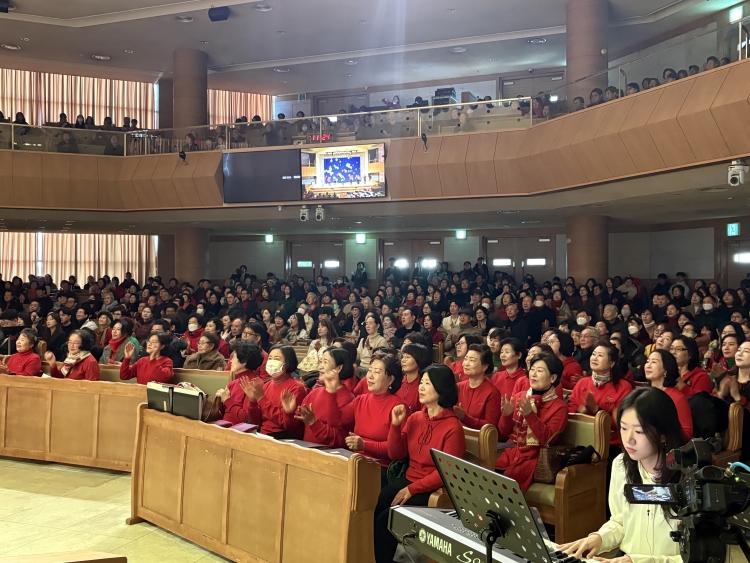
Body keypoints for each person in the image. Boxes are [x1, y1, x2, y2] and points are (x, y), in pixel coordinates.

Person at [560, 387, 685, 563]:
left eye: (639, 431)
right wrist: (599, 538)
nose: (628, 439)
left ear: (663, 435)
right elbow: (619, 522)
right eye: (624, 428)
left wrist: (638, 561)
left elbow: (700, 557)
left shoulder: (689, 476)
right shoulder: (621, 465)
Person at [373, 363, 465, 563]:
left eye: (427, 383)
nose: (421, 387)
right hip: (410, 479)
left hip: (434, 489)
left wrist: (413, 489)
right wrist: (395, 426)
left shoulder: (453, 427)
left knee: (386, 519)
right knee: (380, 500)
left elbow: (446, 472)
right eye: (421, 383)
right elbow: (396, 453)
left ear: (441, 388)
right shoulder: (415, 418)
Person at [495, 352, 568, 490]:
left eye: (539, 371)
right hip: (511, 453)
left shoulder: (559, 407)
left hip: (534, 459)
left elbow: (549, 440)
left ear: (553, 378)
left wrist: (529, 415)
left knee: (504, 484)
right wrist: (506, 415)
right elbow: (504, 432)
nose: (533, 374)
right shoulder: (520, 397)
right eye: (532, 369)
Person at [280, 346, 355, 446]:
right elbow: (296, 430)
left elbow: (339, 440)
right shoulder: (314, 392)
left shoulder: (348, 399)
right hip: (306, 449)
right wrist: (289, 414)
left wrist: (313, 423)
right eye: (320, 362)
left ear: (339, 368)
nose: (320, 367)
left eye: (325, 362)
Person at [568, 341, 633, 447]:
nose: (595, 358)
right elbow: (570, 413)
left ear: (612, 363)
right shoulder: (582, 383)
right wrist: (582, 411)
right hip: (579, 439)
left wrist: (596, 410)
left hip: (609, 444)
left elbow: (622, 423)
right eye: (593, 354)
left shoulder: (623, 387)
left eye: (600, 355)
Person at [240, 344, 308, 438]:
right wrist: (252, 402)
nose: (272, 362)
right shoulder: (267, 385)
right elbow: (256, 421)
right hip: (263, 434)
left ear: (287, 363)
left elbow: (287, 424)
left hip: (282, 436)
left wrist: (262, 398)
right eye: (270, 358)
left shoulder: (296, 387)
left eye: (276, 359)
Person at [643, 350, 693, 439]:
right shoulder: (643, 393)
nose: (648, 365)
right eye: (647, 361)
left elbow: (687, 432)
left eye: (654, 362)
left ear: (666, 370)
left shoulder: (676, 397)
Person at [456, 344, 502, 429]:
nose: (466, 363)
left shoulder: (492, 393)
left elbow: (490, 426)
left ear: (484, 366)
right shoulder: (458, 387)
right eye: (466, 359)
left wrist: (465, 418)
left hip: (479, 436)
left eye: (472, 360)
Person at [395, 342, 433, 413]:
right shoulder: (399, 381)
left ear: (419, 360)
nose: (403, 360)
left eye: (407, 357)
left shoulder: (423, 386)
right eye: (403, 357)